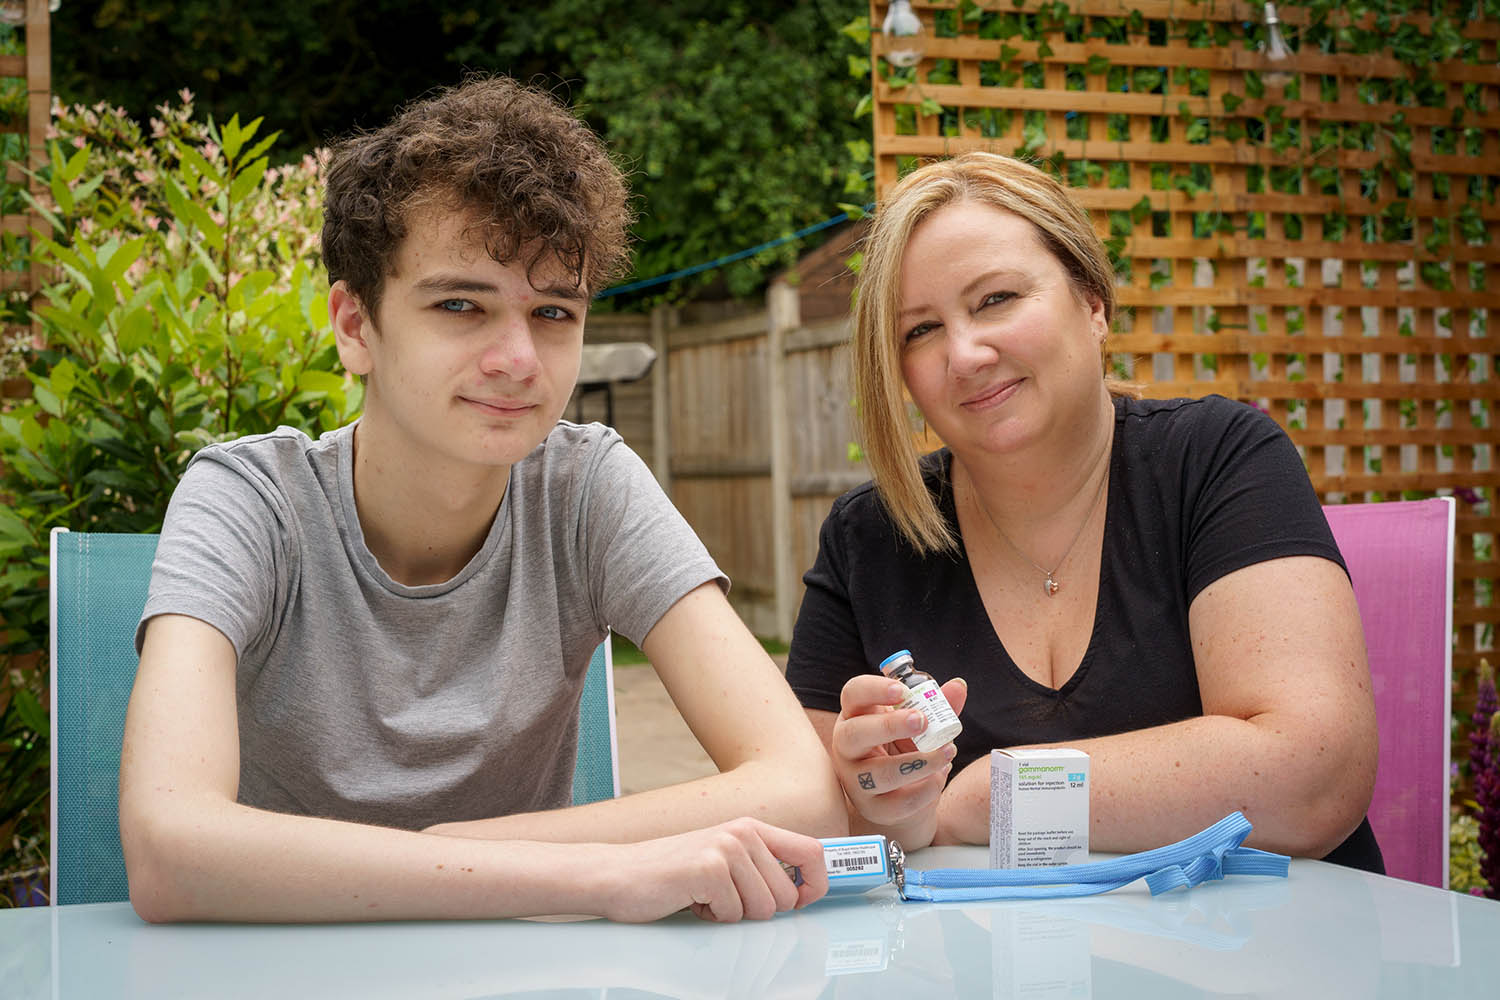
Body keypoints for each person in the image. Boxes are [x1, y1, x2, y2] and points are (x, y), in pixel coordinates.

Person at [119, 76, 846, 925]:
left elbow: (802, 791)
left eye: (552, 312)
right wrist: (599, 874)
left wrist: (462, 860)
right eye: (460, 304)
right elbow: (169, 848)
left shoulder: (585, 487)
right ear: (355, 327)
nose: (518, 358)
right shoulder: (248, 500)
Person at [785, 151, 1382, 871]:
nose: (965, 353)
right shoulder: (868, 540)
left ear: (1093, 303)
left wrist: (986, 796)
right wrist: (883, 807)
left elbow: (1311, 779)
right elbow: (805, 816)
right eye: (920, 331)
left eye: (996, 299)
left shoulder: (1218, 457)